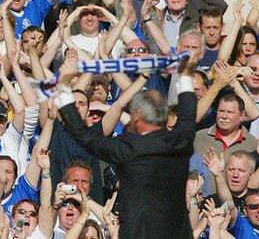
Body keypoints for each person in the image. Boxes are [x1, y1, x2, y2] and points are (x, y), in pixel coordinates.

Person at [54, 51, 198, 237]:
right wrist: (186, 76)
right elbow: (187, 115)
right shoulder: (180, 142)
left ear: (136, 116)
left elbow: (83, 136)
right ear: (162, 116)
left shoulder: (127, 147)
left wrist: (64, 86)